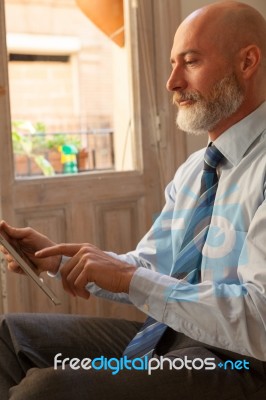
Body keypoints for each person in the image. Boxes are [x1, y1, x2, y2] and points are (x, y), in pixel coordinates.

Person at [1, 1, 266, 398]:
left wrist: (131, 278)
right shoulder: (196, 169)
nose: (172, 82)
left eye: (190, 61)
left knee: (47, 389)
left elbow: (259, 322)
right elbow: (152, 267)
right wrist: (62, 261)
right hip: (175, 337)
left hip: (239, 361)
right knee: (10, 334)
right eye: (172, 63)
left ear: (247, 62)